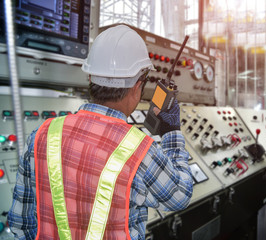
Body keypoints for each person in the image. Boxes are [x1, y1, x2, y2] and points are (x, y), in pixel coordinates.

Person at [8, 24, 193, 240]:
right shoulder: (140, 151)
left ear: (90, 79)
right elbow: (180, 196)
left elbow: (21, 225)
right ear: (137, 87)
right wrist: (171, 132)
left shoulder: (41, 135)